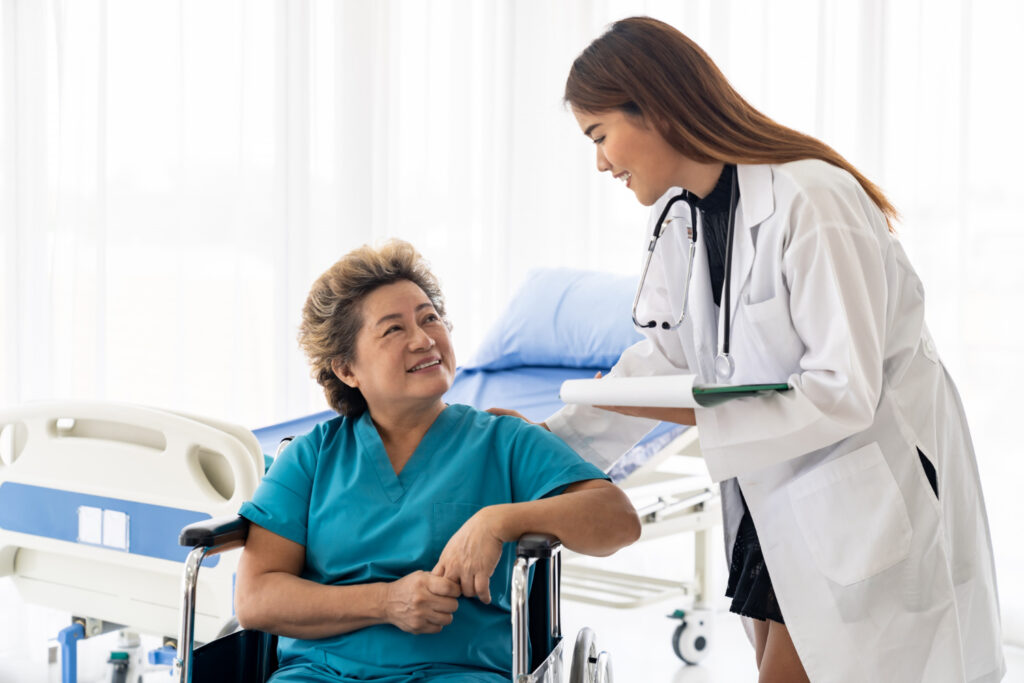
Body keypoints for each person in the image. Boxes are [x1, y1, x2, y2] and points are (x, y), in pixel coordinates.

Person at [497, 16, 1004, 683]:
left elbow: (843, 388)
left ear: (654, 109)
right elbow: (666, 359)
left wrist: (702, 414)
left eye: (600, 135)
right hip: (775, 498)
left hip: (861, 497)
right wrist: (550, 445)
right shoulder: (682, 218)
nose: (600, 161)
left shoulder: (811, 199)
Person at [233, 240, 641, 682]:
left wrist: (498, 520)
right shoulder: (310, 457)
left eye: (430, 318)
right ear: (347, 369)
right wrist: (387, 602)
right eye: (393, 329)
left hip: (457, 673)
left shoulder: (502, 441)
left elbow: (618, 519)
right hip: (319, 675)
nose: (424, 339)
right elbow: (256, 598)